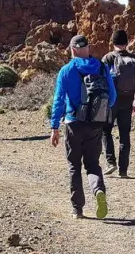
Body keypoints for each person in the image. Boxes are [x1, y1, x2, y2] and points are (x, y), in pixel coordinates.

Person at [49, 34, 116, 219]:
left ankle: (77, 209)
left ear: (73, 50)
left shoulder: (67, 70)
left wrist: (54, 127)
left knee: (74, 166)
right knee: (93, 164)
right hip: (95, 124)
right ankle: (98, 190)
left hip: (73, 123)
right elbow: (112, 97)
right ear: (88, 48)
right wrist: (97, 112)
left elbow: (58, 100)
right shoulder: (102, 67)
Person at [101, 29, 135, 178]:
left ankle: (111, 162)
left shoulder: (108, 58)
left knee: (106, 131)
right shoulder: (133, 59)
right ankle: (123, 170)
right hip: (127, 100)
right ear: (127, 42)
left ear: (113, 42)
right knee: (125, 135)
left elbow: (101, 81)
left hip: (111, 102)